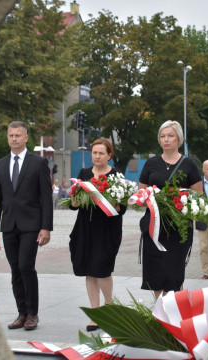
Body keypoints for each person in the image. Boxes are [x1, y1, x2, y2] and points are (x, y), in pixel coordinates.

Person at [0, 121, 53, 331]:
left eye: (18, 135)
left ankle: (33, 314)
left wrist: (46, 227)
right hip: (9, 226)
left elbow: (46, 197)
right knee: (15, 270)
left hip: (31, 225)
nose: (14, 138)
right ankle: (22, 313)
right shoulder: (0, 165)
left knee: (26, 266)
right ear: (7, 138)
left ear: (26, 138)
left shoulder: (38, 163)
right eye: (11, 135)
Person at [138, 120, 203, 299]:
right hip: (153, 227)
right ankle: (159, 314)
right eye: (162, 136)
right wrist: (148, 198)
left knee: (174, 274)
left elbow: (199, 196)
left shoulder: (189, 165)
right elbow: (140, 194)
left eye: (170, 136)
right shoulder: (151, 163)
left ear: (179, 139)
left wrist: (179, 199)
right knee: (156, 273)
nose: (166, 139)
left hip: (178, 229)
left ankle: (174, 315)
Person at [68, 138, 126, 332]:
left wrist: (110, 200)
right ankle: (95, 314)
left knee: (102, 270)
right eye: (94, 153)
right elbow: (73, 204)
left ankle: (109, 311)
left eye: (102, 153)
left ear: (110, 155)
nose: (97, 156)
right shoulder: (84, 174)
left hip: (107, 230)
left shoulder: (117, 175)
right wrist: (76, 199)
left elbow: (122, 207)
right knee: (89, 270)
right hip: (85, 229)